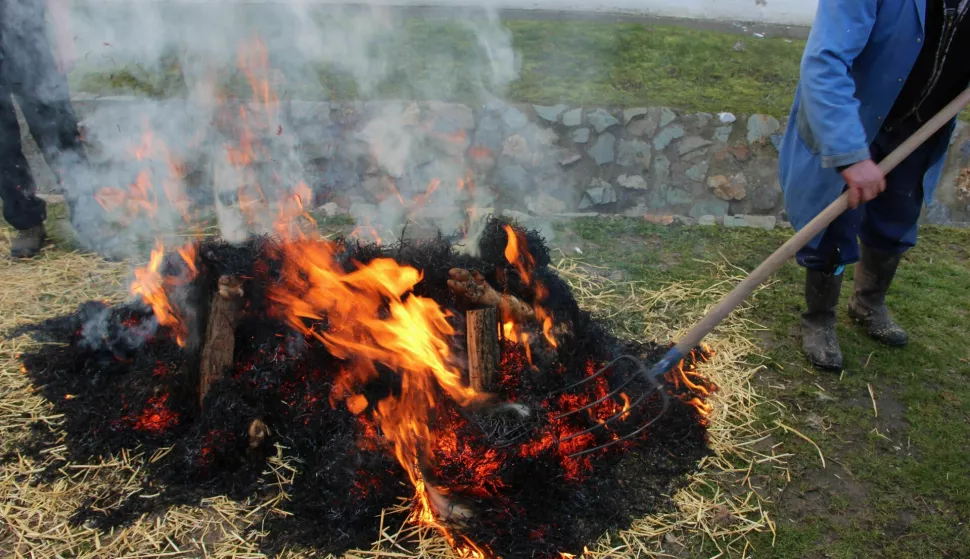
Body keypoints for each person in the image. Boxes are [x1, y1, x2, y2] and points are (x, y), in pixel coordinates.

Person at [778, 0, 970, 370]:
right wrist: (850, 154)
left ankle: (868, 302)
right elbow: (825, 62)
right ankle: (819, 320)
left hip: (921, 127)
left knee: (897, 218)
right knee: (834, 228)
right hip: (854, 118)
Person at [0, 0, 92, 258]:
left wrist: (64, 37)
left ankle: (89, 217)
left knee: (57, 128)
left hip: (26, 31)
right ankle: (26, 223)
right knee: (2, 145)